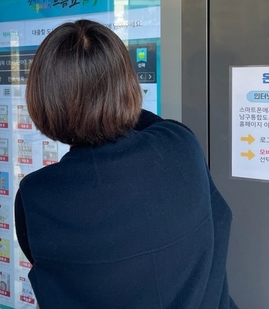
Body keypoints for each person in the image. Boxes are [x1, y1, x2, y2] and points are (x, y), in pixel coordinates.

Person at [15, 19, 237, 308]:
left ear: (42, 99)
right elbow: (150, 122)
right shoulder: (180, 145)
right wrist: (112, 99)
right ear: (128, 83)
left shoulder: (37, 196)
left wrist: (86, 105)